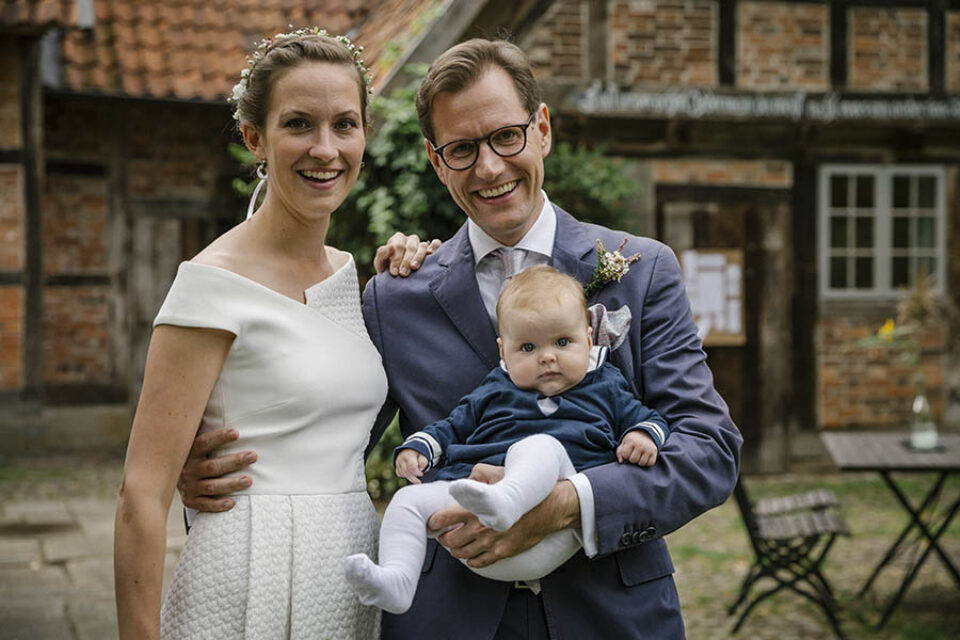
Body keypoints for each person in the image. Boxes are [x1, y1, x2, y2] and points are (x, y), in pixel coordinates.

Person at [180, 38, 741, 638]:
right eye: (462, 149)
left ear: (542, 129)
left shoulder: (640, 267)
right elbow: (332, 441)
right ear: (435, 159)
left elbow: (709, 449)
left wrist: (567, 505)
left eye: (506, 136)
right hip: (447, 618)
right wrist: (210, 469)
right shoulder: (395, 298)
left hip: (612, 616)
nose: (490, 167)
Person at [113, 28, 433, 639]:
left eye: (344, 124)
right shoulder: (211, 284)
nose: (325, 148)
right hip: (246, 578)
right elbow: (140, 495)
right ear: (255, 138)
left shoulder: (349, 274)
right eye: (298, 124)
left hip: (347, 576)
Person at [345, 265, 669, 614]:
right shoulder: (494, 388)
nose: (547, 357)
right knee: (407, 501)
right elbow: (453, 425)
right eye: (528, 347)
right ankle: (398, 580)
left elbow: (649, 419)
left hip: (551, 529)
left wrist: (641, 436)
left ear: (588, 339)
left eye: (563, 342)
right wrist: (419, 447)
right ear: (504, 352)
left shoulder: (604, 383)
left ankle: (507, 500)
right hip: (473, 525)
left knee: (539, 446)